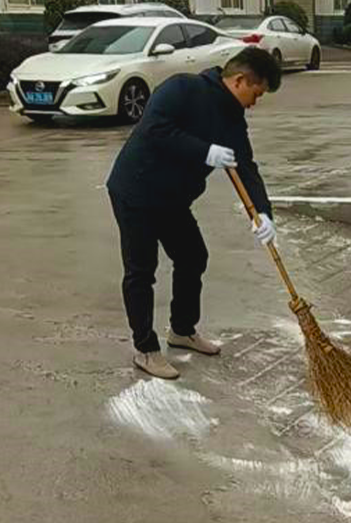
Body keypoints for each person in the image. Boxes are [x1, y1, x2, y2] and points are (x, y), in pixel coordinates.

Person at [107, 47, 282, 379]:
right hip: (136, 191)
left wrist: (263, 213)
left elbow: (245, 165)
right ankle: (146, 349)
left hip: (173, 199)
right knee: (141, 271)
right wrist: (205, 151)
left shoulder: (232, 117)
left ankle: (182, 330)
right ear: (240, 80)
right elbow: (154, 129)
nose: (254, 103)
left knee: (192, 256)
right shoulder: (182, 88)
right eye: (256, 94)